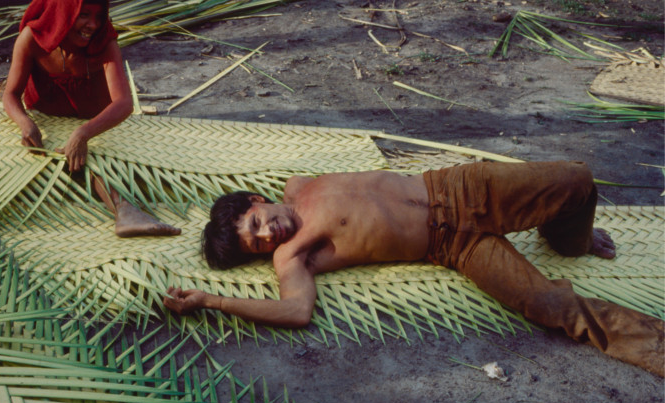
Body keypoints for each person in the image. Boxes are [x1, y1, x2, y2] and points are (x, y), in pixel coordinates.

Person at [164, 161, 664, 376]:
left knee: (576, 180)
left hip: (458, 187)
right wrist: (211, 300)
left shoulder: (298, 186)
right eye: (256, 245)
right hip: (453, 246)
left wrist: (574, 238)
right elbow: (295, 310)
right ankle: (656, 345)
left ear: (256, 199)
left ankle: (570, 238)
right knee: (549, 304)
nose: (266, 235)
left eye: (255, 223)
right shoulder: (292, 255)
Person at [3, 0, 180, 237]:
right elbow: (10, 94)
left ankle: (125, 211)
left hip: (96, 121)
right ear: (63, 12)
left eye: (98, 17)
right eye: (84, 15)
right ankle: (124, 212)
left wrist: (83, 133)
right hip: (47, 120)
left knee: (94, 156)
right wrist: (25, 123)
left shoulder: (104, 42)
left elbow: (123, 103)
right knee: (47, 157)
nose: (92, 25)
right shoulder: (32, 38)